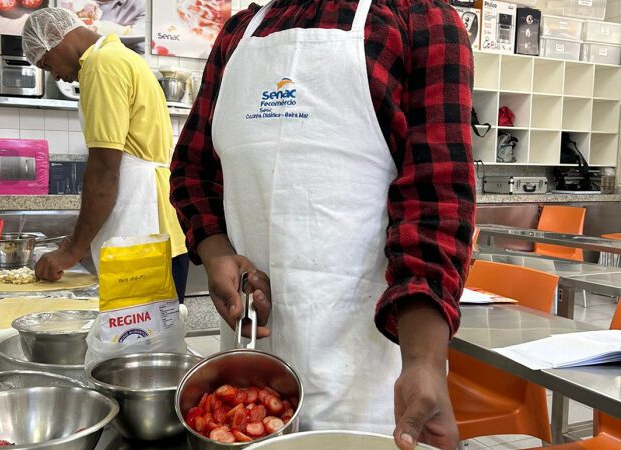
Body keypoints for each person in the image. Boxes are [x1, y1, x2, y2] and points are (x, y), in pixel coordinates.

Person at [170, 0, 475, 449]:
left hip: (369, 382)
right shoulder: (238, 34)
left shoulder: (419, 21)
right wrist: (216, 252)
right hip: (248, 381)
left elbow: (435, 201)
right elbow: (193, 171)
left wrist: (425, 362)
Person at [22, 8, 189, 304]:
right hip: (155, 230)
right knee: (150, 342)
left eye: (47, 64)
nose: (56, 75)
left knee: (138, 341)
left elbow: (104, 169)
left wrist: (71, 250)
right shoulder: (121, 58)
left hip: (142, 232)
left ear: (54, 38)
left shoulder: (102, 65)